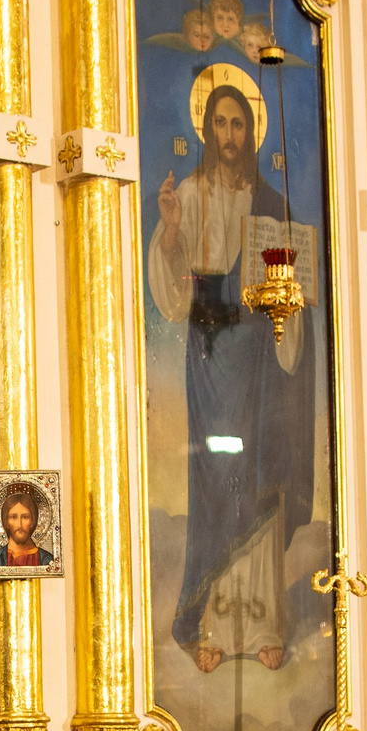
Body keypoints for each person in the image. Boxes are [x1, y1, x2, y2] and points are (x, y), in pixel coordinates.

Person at [147, 78, 314, 672]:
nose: (228, 135)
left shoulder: (272, 205)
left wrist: (287, 305)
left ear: (251, 131)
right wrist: (169, 229)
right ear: (205, 130)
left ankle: (265, 620)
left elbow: (295, 290)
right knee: (217, 473)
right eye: (218, 123)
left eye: (238, 124)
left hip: (257, 348)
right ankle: (210, 619)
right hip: (210, 347)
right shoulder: (188, 194)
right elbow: (173, 289)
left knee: (261, 465)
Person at [0, 480, 56, 569]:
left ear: (33, 521)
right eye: (13, 517)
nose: (19, 525)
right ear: (6, 521)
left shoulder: (47, 560)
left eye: (25, 517)